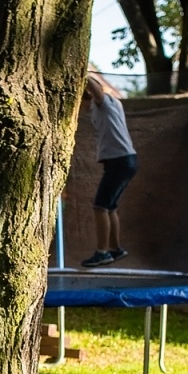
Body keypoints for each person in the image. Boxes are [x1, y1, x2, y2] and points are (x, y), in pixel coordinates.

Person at [79, 73, 138, 268]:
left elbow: (96, 89)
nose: (81, 109)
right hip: (125, 160)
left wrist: (82, 72)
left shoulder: (103, 104)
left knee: (100, 207)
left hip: (120, 161)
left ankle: (102, 252)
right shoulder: (112, 105)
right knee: (110, 207)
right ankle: (115, 248)